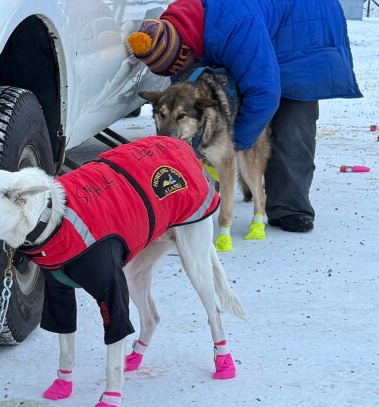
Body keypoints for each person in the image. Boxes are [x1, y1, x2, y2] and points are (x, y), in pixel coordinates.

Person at [127, 0, 361, 233]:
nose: (179, 74)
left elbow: (265, 94)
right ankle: (211, 200)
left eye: (179, 65)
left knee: (291, 120)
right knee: (247, 90)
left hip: (306, 31)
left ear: (186, 49)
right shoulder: (180, 26)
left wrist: (236, 144)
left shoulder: (235, 26)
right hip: (261, 24)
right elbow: (183, 78)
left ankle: (290, 208)